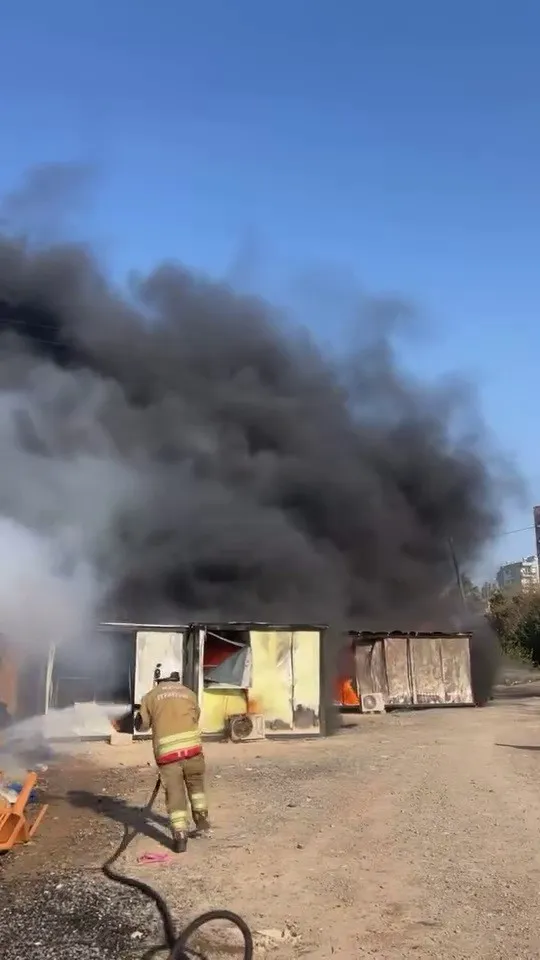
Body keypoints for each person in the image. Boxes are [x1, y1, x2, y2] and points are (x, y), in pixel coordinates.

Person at [135, 658, 210, 853]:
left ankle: (180, 837)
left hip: (168, 756)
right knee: (196, 788)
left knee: (175, 795)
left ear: (158, 676)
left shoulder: (150, 697)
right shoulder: (189, 693)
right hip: (193, 751)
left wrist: (137, 717)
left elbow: (142, 725)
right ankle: (202, 822)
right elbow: (195, 716)